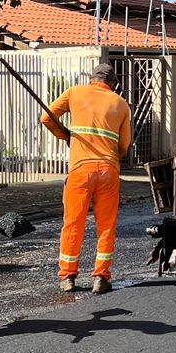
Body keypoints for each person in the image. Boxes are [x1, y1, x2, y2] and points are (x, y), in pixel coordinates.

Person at [40, 60, 132, 294]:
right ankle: (101, 276)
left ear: (92, 78)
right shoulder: (120, 103)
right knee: (106, 226)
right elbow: (124, 145)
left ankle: (68, 277)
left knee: (73, 223)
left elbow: (46, 118)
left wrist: (66, 136)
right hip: (108, 171)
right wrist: (113, 157)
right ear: (113, 84)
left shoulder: (74, 92)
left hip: (80, 170)